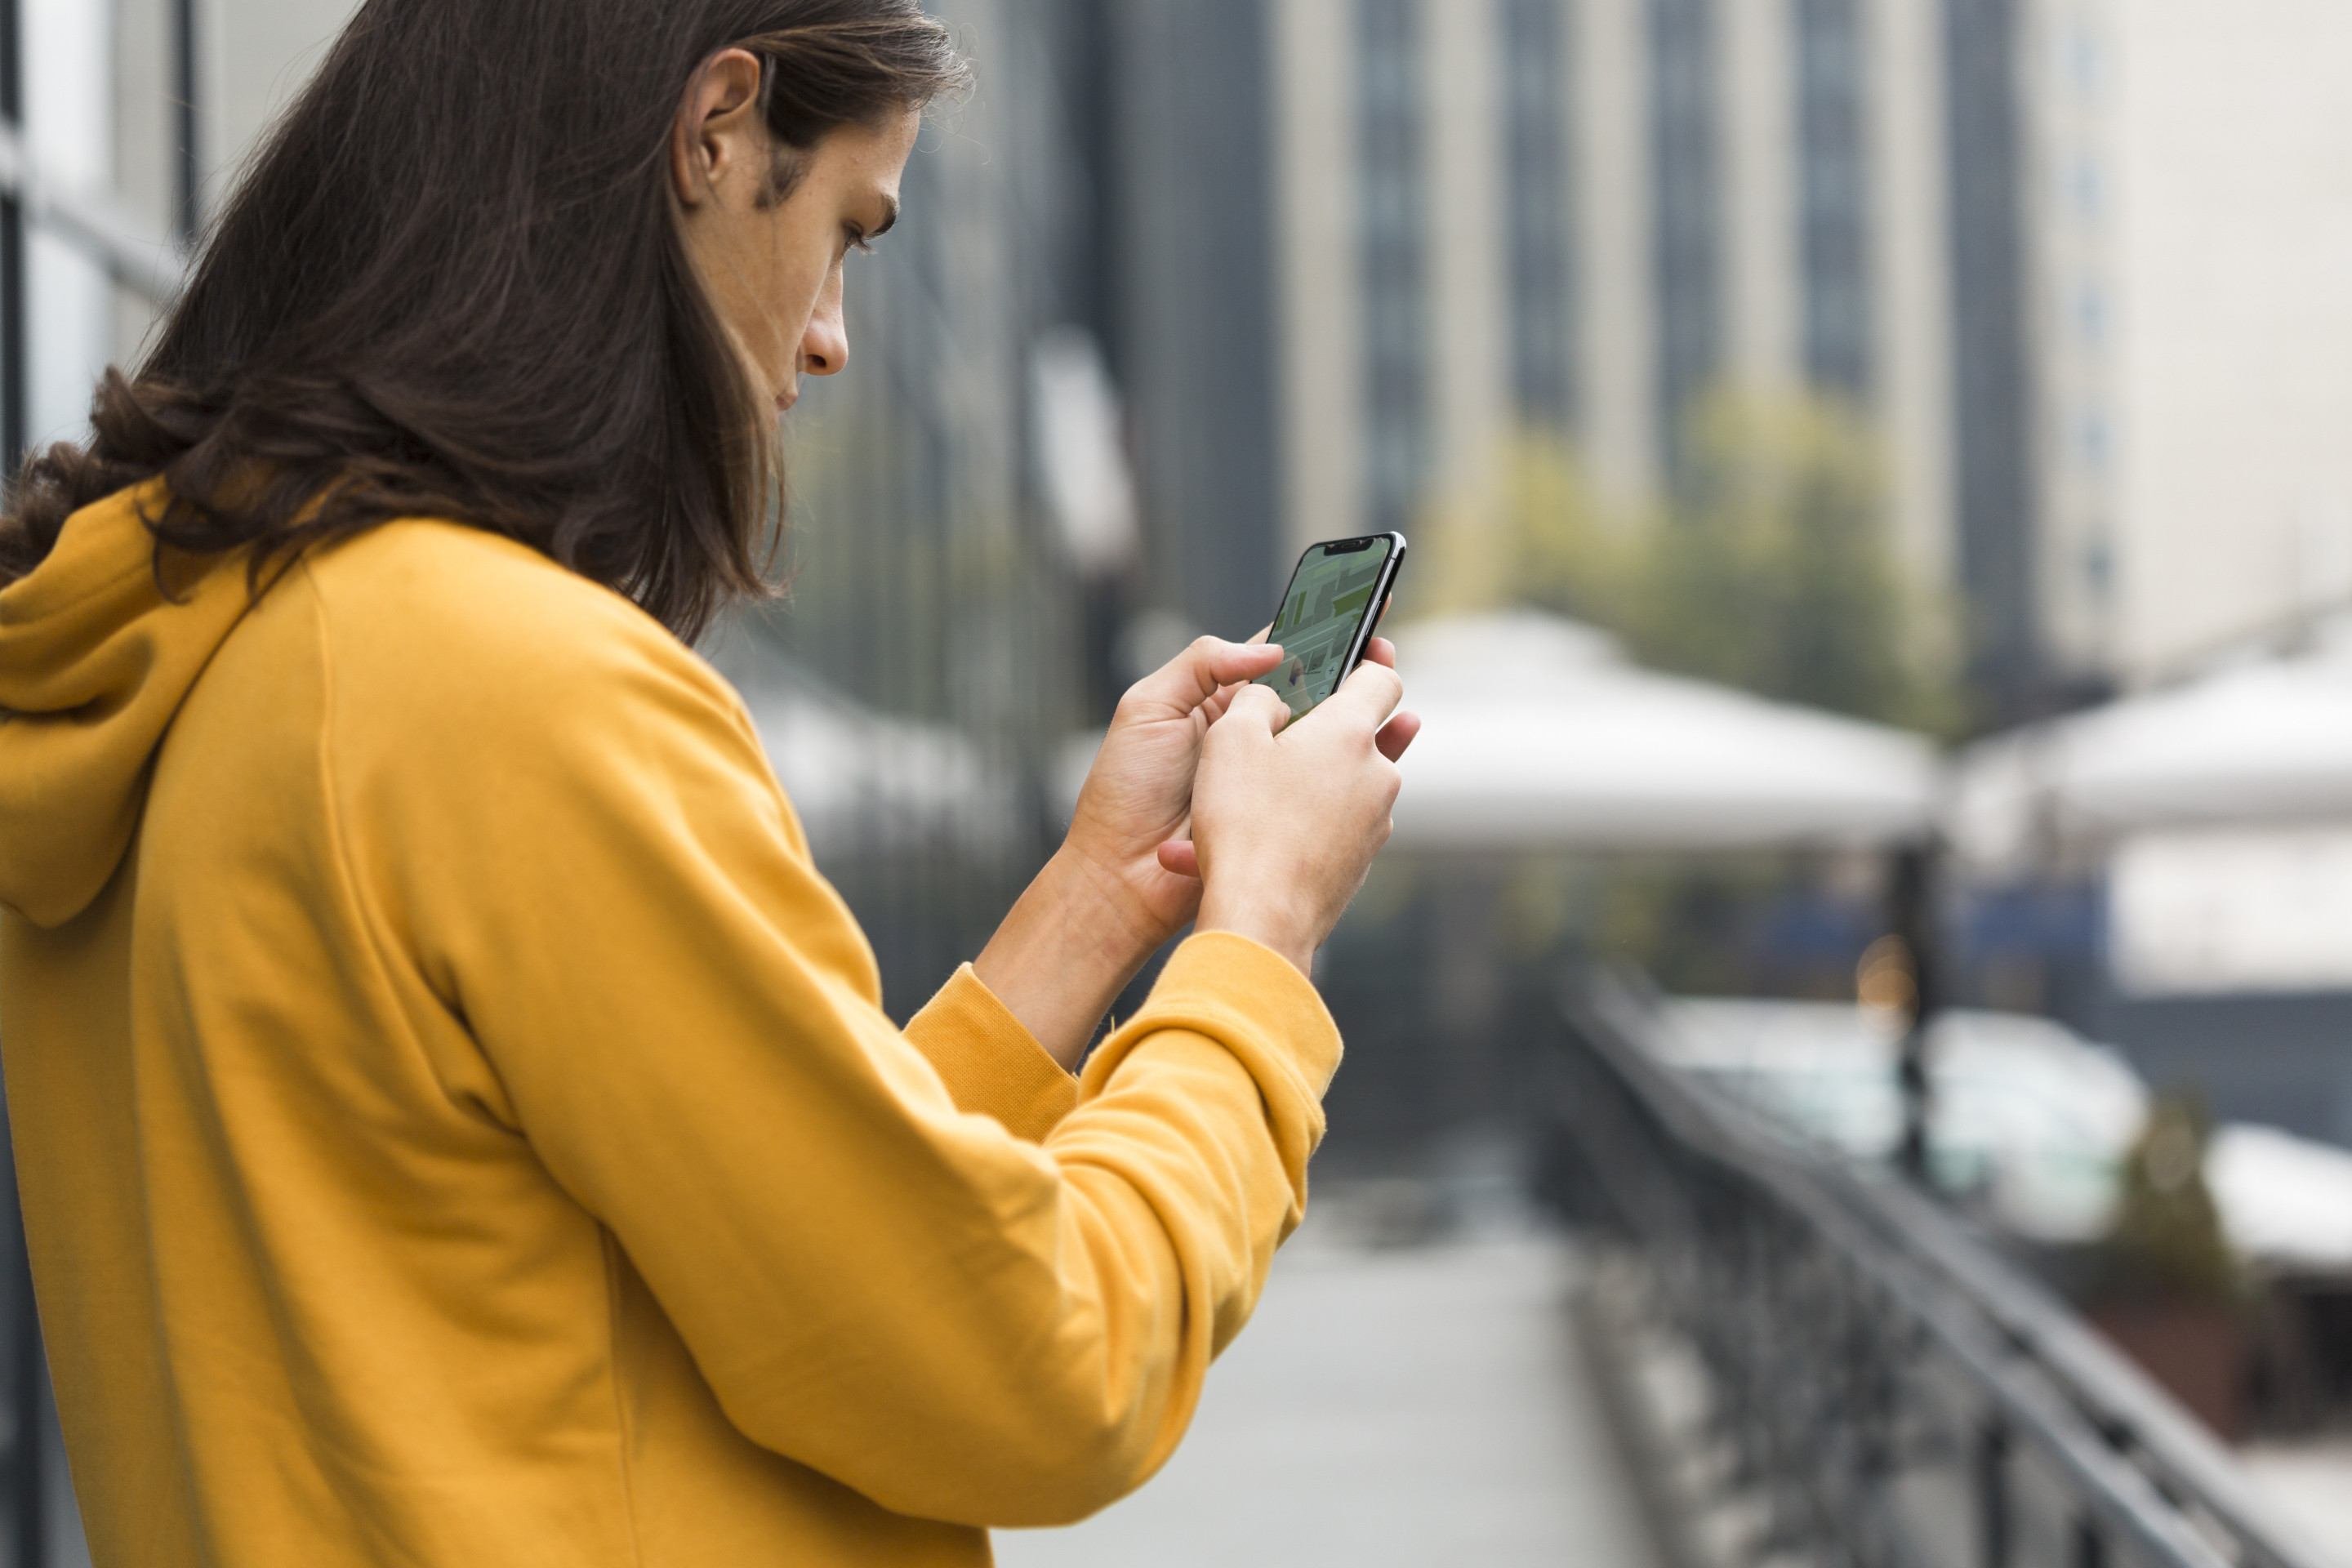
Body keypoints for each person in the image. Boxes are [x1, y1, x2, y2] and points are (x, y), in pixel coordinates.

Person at [0, 2, 1418, 1564]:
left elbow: (773, 1274)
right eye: (848, 233)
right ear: (718, 126)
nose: (830, 334)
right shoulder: (506, 691)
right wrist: (1258, 946)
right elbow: (1035, 1361)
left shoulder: (196, 663)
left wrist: (1099, 894)